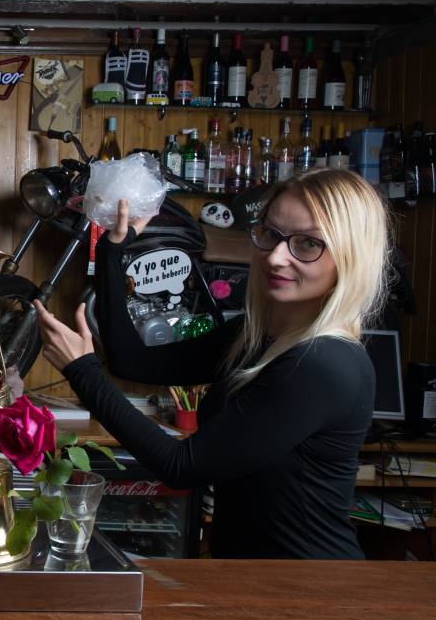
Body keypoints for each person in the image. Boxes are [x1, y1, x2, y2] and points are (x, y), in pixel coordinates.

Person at [33, 169, 391, 559]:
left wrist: (83, 371)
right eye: (270, 233)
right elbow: (134, 362)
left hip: (308, 586)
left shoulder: (324, 363)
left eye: (307, 244)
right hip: (247, 573)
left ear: (350, 256)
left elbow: (181, 466)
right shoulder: (252, 336)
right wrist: (112, 253)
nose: (275, 256)